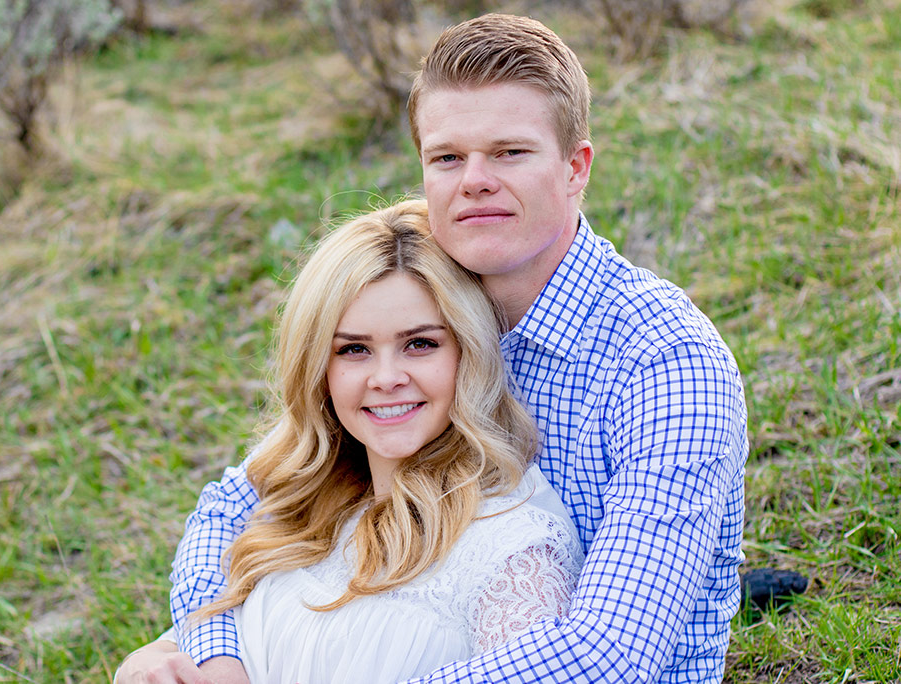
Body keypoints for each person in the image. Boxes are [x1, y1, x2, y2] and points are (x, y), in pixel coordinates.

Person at [119, 12, 748, 683]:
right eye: (447, 158)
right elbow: (232, 509)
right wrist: (217, 653)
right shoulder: (420, 295)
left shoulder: (665, 362)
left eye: (510, 152)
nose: (474, 180)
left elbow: (609, 654)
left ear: (576, 168)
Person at [115, 199, 585, 683]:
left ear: (469, 353)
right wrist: (147, 665)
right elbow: (195, 632)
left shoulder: (511, 547)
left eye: (420, 343)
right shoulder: (297, 505)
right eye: (354, 349)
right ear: (320, 369)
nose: (386, 378)